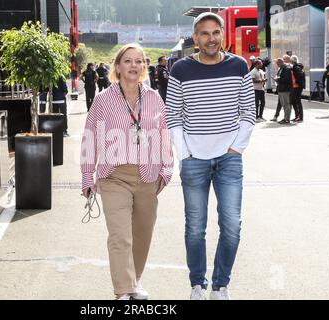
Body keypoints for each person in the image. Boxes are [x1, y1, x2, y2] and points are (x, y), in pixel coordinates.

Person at [166, 12, 255, 300]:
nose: (211, 38)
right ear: (196, 38)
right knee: (195, 227)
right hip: (194, 160)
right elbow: (173, 116)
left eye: (215, 32)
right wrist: (186, 153)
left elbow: (248, 113)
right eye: (204, 33)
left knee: (231, 225)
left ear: (223, 35)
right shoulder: (180, 70)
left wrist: (235, 148)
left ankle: (220, 285)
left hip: (229, 158)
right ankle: (197, 285)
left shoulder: (239, 65)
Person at [80, 43, 174, 300]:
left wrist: (166, 170)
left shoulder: (154, 98)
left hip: (148, 175)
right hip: (114, 176)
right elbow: (90, 139)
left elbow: (164, 135)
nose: (134, 65)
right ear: (118, 67)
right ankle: (123, 290)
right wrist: (88, 177)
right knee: (120, 235)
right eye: (128, 61)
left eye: (139, 61)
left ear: (144, 66)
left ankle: (135, 280)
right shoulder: (103, 99)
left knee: (142, 234)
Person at [273, 57, 292, 124]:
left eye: (278, 63)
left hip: (285, 89)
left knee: (286, 104)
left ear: (281, 62)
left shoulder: (286, 69)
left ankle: (286, 119)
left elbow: (286, 79)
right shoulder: (282, 68)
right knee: (284, 104)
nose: (277, 65)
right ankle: (286, 118)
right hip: (281, 88)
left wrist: (278, 79)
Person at [290, 55, 305, 122]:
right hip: (296, 86)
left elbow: (300, 76)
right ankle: (297, 116)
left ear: (292, 61)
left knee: (297, 102)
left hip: (297, 87)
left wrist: (295, 81)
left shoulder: (296, 67)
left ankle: (300, 117)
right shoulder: (296, 67)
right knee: (294, 101)